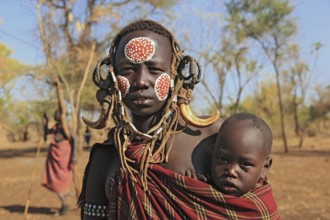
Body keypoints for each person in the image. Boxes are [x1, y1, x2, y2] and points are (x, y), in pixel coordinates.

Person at [79, 19, 279, 219]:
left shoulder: (214, 138)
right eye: (127, 70)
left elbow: (254, 210)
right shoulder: (106, 158)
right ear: (111, 78)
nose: (140, 81)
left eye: (155, 70)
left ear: (176, 73)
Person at [211, 113, 274, 197]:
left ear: (265, 167)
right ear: (212, 154)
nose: (231, 171)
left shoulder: (261, 205)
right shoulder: (197, 189)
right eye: (223, 159)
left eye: (245, 164)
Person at [41, 109, 77, 216]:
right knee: (54, 180)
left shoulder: (66, 128)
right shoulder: (56, 127)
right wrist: (46, 121)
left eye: (58, 113)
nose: (55, 114)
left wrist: (74, 156)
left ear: (62, 116)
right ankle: (64, 202)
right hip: (54, 160)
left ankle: (65, 204)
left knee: (61, 182)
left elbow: (75, 139)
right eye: (55, 113)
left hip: (63, 160)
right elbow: (45, 135)